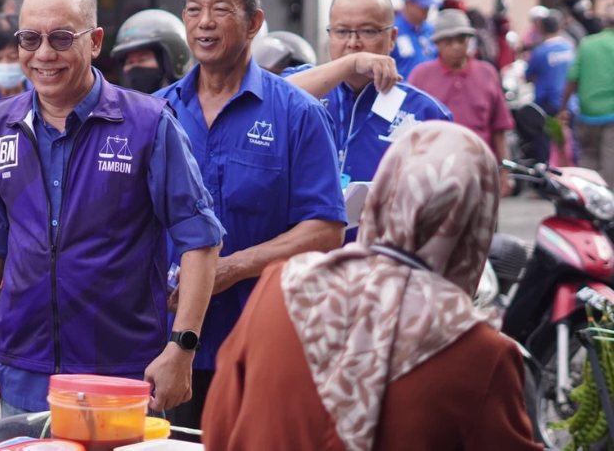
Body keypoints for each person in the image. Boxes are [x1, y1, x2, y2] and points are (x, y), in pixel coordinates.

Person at [0, 0, 224, 418]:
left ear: (95, 41)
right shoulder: (0, 124)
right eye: (30, 38)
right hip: (23, 374)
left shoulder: (148, 124)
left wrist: (182, 347)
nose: (43, 53)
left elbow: (201, 240)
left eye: (61, 38)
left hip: (122, 375)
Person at [201, 122, 540, 451]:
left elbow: (218, 429)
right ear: (475, 220)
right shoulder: (482, 353)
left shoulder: (282, 285)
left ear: (381, 194)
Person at [155, 0, 347, 431]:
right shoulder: (156, 114)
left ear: (254, 22)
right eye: (194, 9)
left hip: (265, 343)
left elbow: (325, 230)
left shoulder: (297, 113)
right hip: (170, 348)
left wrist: (232, 269)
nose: (204, 23)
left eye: (220, 9)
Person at [284, 0, 452, 221]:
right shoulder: (304, 82)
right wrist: (350, 63)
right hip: (303, 255)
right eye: (342, 31)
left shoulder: (427, 113)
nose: (353, 43)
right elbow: (271, 100)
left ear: (392, 38)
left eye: (368, 31)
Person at [408, 9, 515, 193]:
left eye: (461, 40)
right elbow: (408, 129)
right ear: (437, 44)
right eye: (448, 42)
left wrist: (506, 172)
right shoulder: (421, 75)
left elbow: (499, 129)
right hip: (434, 174)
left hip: (480, 172)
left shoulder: (487, 73)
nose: (456, 47)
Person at [560, 5, 614, 191]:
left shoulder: (587, 44)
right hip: (611, 115)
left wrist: (562, 109)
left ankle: (587, 205)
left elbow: (572, 79)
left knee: (588, 160)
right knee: (610, 162)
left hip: (587, 114)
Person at [526, 12, 575, 165]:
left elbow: (528, 75)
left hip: (547, 105)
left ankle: (547, 175)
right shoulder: (569, 47)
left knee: (545, 143)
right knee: (569, 143)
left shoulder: (540, 52)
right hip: (569, 104)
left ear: (541, 27)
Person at [110, 9, 192, 94]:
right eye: (130, 62)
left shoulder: (189, 102)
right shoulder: (122, 105)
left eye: (142, 60)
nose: (135, 67)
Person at [392, 0, 438, 82]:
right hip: (403, 93)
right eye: (422, 6)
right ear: (408, 3)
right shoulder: (393, 31)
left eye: (428, 6)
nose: (427, 9)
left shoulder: (430, 30)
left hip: (428, 93)